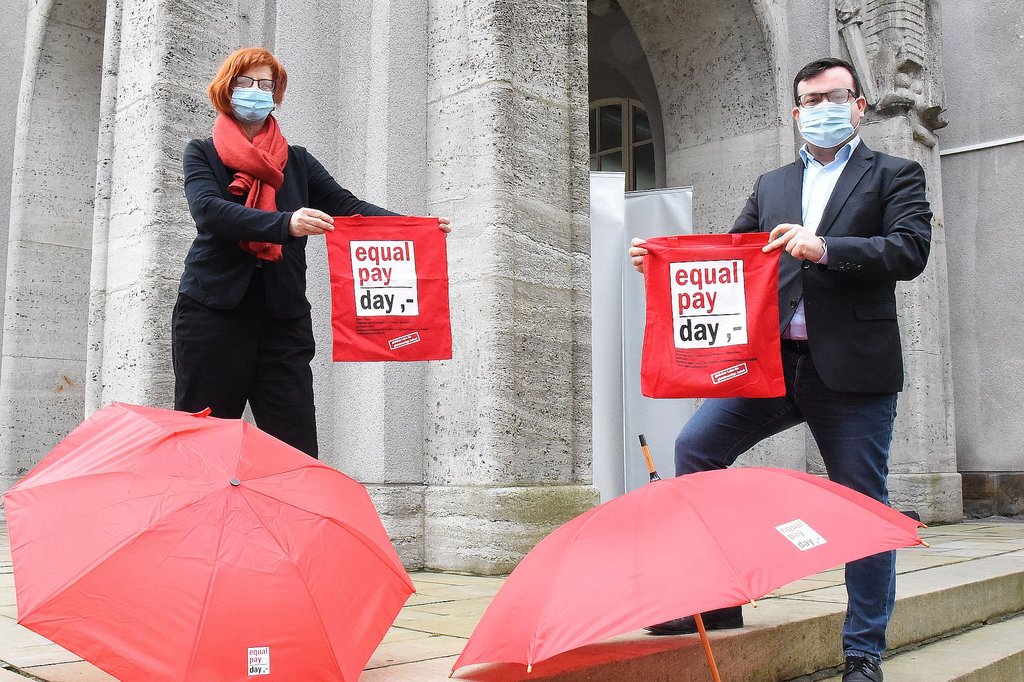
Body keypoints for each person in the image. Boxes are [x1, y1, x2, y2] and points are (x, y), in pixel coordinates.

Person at [628, 57, 931, 682]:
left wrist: (825, 248)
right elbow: (732, 254)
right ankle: (717, 600)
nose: (822, 108)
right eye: (810, 100)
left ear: (858, 105)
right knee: (696, 448)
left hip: (851, 371)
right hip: (769, 364)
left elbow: (910, 250)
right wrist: (663, 262)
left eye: (835, 97)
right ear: (796, 112)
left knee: (863, 505)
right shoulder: (773, 184)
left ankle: (863, 651)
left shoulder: (895, 174)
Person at [173, 47, 450, 458]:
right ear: (226, 89)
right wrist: (285, 223)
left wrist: (415, 227)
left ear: (276, 95)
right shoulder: (202, 152)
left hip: (282, 319)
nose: (255, 91)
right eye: (245, 83)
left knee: (295, 449)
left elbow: (347, 205)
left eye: (265, 84)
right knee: (204, 446)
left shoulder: (297, 161)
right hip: (212, 314)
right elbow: (209, 212)